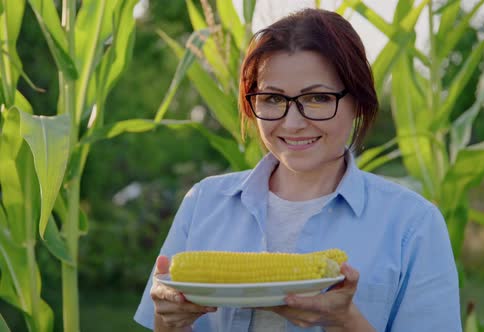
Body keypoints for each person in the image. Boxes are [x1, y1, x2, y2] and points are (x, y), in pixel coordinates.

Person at [134, 7, 461, 332]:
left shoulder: (412, 225)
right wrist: (168, 320)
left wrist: (346, 321)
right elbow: (167, 323)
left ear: (358, 101)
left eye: (318, 98)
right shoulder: (203, 202)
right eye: (272, 99)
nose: (292, 123)